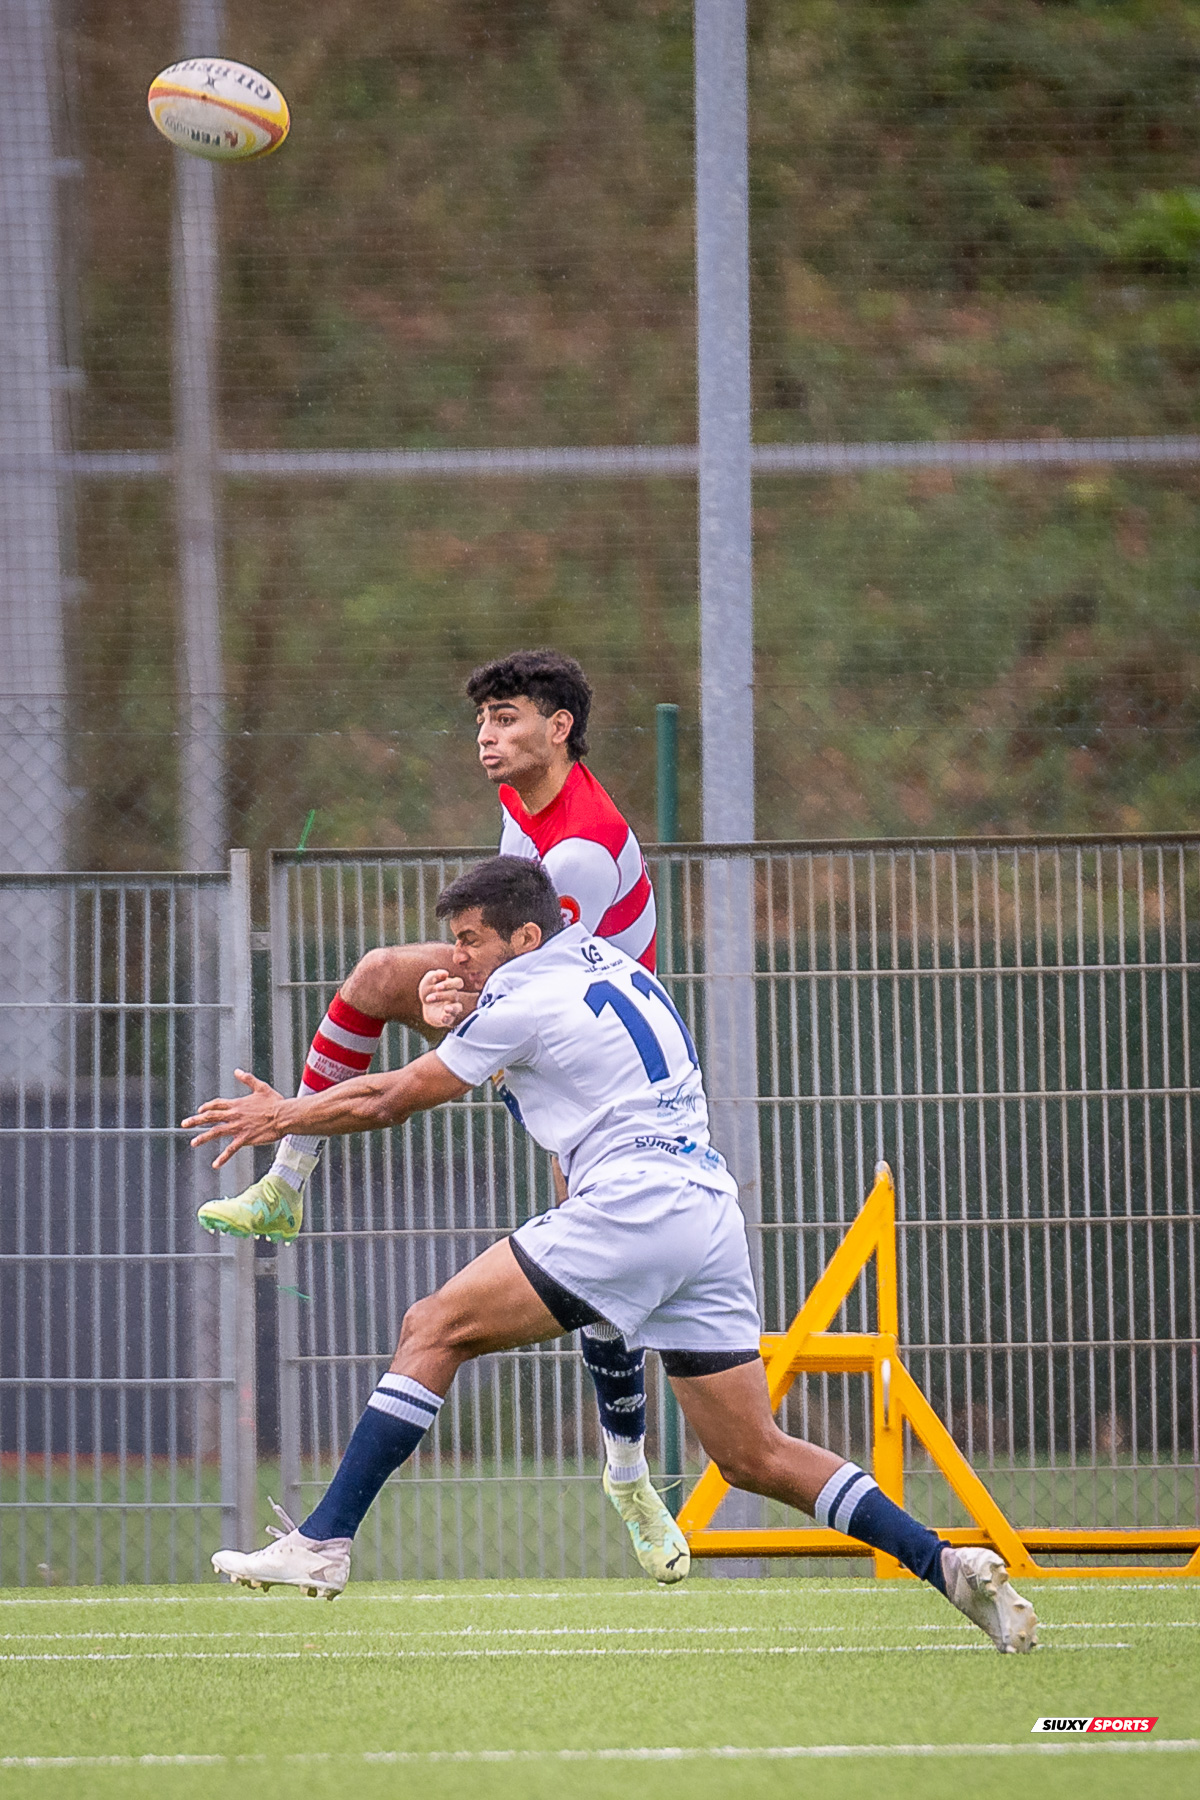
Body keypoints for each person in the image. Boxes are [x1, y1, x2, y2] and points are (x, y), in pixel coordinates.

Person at [184, 857, 1038, 1653]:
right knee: (753, 1455)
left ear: (525, 937)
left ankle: (324, 1541)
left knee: (431, 1327)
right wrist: (460, 1013)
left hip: (633, 1202)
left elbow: (396, 1098)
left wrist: (286, 1116)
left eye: (471, 941)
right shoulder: (614, 965)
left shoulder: (518, 1000)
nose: (455, 959)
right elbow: (540, 1058)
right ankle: (948, 1566)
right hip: (705, 1209)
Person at [196, 650, 680, 1582]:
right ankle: (286, 1185)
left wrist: (466, 1003)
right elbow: (510, 964)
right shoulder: (525, 807)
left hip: (599, 1065)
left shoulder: (578, 844)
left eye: (505, 719)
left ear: (560, 727)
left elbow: (544, 976)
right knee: (381, 972)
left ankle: (627, 1474)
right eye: (481, 724)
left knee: (603, 1300)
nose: (488, 738)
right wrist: (458, 991)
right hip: (539, 1012)